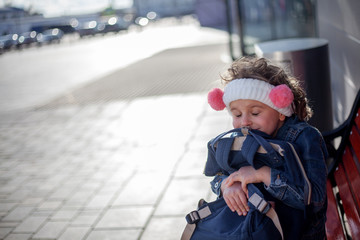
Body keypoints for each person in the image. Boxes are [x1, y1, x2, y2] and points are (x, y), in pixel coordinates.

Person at [206, 56, 328, 239]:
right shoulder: (242, 137)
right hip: (254, 228)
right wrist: (227, 186)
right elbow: (217, 176)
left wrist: (262, 174)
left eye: (255, 113)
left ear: (280, 112)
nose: (244, 122)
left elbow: (316, 199)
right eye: (237, 114)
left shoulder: (305, 138)